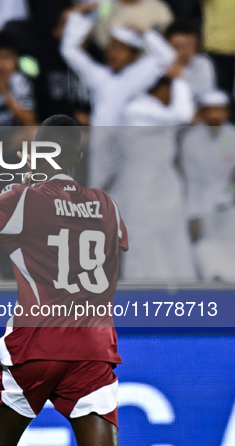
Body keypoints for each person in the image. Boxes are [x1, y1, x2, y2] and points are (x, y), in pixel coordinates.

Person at [0, 115, 128, 446]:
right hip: (93, 350)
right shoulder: (107, 205)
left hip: (35, 346)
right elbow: (114, 254)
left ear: (36, 152)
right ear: (77, 158)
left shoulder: (22, 199)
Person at [61, 3, 176, 189]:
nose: (113, 53)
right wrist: (78, 15)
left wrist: (146, 33)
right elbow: (69, 51)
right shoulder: (100, 77)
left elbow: (168, 57)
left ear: (134, 55)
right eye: (111, 47)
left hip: (132, 149)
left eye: (120, 49)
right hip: (101, 150)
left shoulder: (139, 74)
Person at [118, 76, 196, 280]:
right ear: (160, 88)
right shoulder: (136, 108)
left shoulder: (159, 110)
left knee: (175, 239)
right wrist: (181, 80)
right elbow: (183, 115)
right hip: (143, 186)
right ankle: (145, 292)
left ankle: (180, 290)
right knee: (144, 240)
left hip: (166, 183)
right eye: (170, 89)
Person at [181, 90, 235, 281]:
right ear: (202, 113)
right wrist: (194, 214)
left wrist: (230, 193)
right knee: (205, 251)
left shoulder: (231, 135)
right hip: (202, 205)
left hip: (230, 205)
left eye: (219, 111)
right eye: (210, 111)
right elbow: (191, 180)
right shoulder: (191, 140)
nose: (215, 116)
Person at [165, 20, 216, 100]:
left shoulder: (203, 63)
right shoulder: (159, 64)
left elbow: (205, 94)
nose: (184, 51)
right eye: (177, 46)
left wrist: (181, 76)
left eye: (187, 46)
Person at [93, 0, 174, 50]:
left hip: (150, 62)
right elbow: (100, 37)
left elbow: (170, 37)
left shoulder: (159, 6)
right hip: (113, 61)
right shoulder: (106, 5)